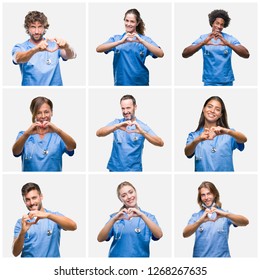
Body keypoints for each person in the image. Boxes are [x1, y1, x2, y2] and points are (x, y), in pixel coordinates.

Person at [96, 8, 164, 86]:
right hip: (121, 82)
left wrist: (142, 42)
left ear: (137, 23)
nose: (128, 24)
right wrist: (120, 42)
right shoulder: (117, 38)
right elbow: (98, 49)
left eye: (132, 21)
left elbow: (160, 54)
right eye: (127, 20)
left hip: (140, 83)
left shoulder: (144, 40)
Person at [96, 94, 164, 171]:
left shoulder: (141, 126)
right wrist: (116, 126)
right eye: (123, 108)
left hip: (134, 170)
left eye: (128, 108)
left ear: (135, 107)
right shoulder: (117, 123)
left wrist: (143, 133)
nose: (125, 111)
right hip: (114, 169)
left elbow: (160, 143)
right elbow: (98, 133)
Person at [182, 9, 250, 86]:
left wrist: (228, 44)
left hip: (226, 81)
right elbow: (185, 54)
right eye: (217, 23)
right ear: (212, 23)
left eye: (222, 24)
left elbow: (246, 54)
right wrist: (203, 43)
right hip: (209, 81)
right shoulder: (204, 38)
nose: (219, 26)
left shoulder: (229, 38)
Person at [183, 181, 249, 257]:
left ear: (214, 194)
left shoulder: (225, 214)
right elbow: (185, 234)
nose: (206, 198)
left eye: (209, 194)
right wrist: (200, 221)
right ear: (200, 198)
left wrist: (226, 215)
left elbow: (245, 222)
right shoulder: (197, 216)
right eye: (203, 195)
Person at [97, 181, 163, 257]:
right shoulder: (115, 217)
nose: (128, 196)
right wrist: (114, 219)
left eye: (131, 192)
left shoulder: (148, 217)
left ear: (136, 192)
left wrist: (142, 216)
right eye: (124, 195)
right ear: (120, 199)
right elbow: (100, 239)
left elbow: (159, 235)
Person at [13, 182, 77, 257]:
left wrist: (48, 215)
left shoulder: (54, 216)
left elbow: (73, 226)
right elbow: (15, 253)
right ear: (24, 202)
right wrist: (22, 232)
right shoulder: (21, 222)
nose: (32, 202)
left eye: (34, 198)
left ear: (41, 197)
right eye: (27, 200)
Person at [12, 11, 76, 86]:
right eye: (33, 27)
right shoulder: (21, 47)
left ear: (44, 27)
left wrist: (67, 46)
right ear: (28, 28)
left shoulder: (54, 45)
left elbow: (72, 55)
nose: (36, 31)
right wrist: (36, 49)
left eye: (40, 27)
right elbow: (17, 58)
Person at [12, 96, 76, 171]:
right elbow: (15, 152)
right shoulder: (23, 135)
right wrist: (27, 134)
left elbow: (73, 146)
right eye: (38, 113)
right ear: (34, 114)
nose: (43, 116)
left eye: (46, 112)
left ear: (51, 112)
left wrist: (58, 131)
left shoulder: (59, 136)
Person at [184, 96, 247, 171]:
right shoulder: (194, 135)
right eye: (209, 107)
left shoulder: (229, 134)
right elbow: (187, 153)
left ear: (220, 114)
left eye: (217, 109)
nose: (212, 110)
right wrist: (197, 140)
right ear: (203, 109)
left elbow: (243, 139)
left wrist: (227, 131)